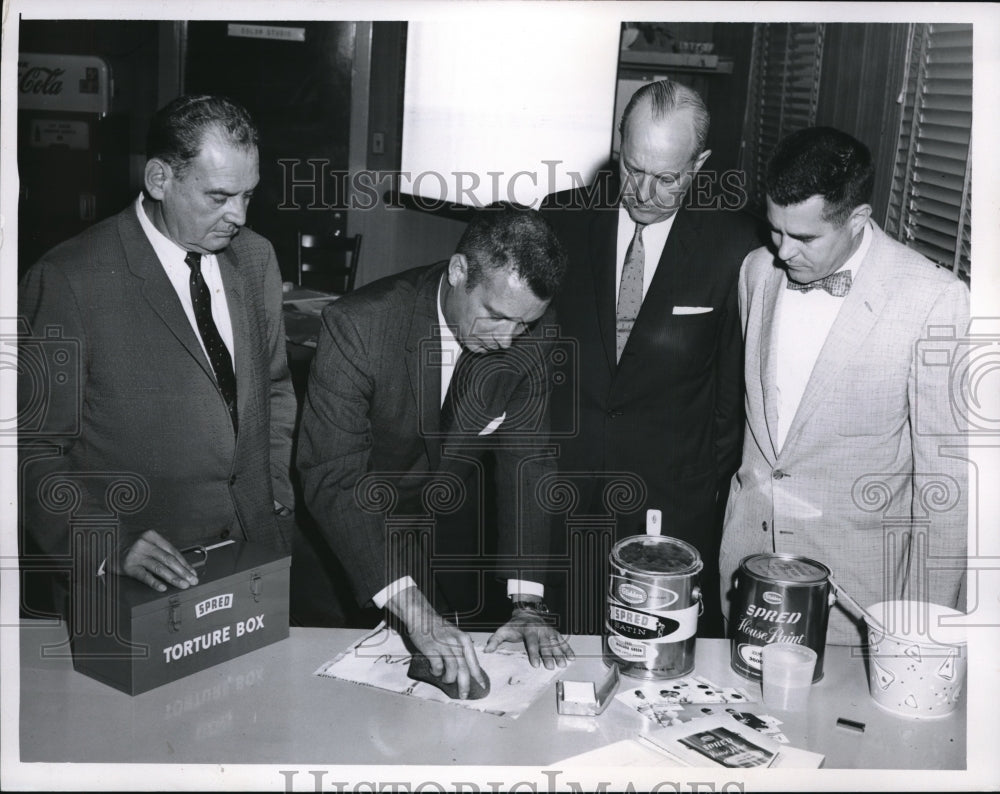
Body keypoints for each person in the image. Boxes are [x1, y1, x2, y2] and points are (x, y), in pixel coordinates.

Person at [18, 95, 296, 601]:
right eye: (219, 196)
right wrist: (107, 543)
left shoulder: (256, 258)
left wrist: (273, 490)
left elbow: (275, 391)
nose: (237, 215)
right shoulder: (69, 279)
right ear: (159, 179)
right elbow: (29, 449)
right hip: (134, 581)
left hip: (253, 553)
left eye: (248, 195)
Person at [297, 203, 574, 699]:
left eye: (523, 324)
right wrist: (415, 611)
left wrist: (527, 603)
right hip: (342, 551)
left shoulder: (530, 333)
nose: (508, 341)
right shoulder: (359, 325)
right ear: (459, 271)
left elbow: (528, 465)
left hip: (426, 547)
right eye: (496, 317)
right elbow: (333, 477)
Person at [720, 126, 969, 645]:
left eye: (805, 238)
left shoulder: (934, 300)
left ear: (857, 219)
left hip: (856, 604)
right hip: (747, 577)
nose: (783, 251)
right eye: (775, 230)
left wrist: (919, 637)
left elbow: (945, 489)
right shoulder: (755, 272)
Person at [540, 79, 761, 636]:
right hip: (566, 494)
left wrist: (698, 486)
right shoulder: (562, 218)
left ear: (699, 164)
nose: (643, 192)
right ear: (618, 146)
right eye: (632, 168)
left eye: (666, 178)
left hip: (671, 503)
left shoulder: (736, 244)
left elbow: (730, 397)